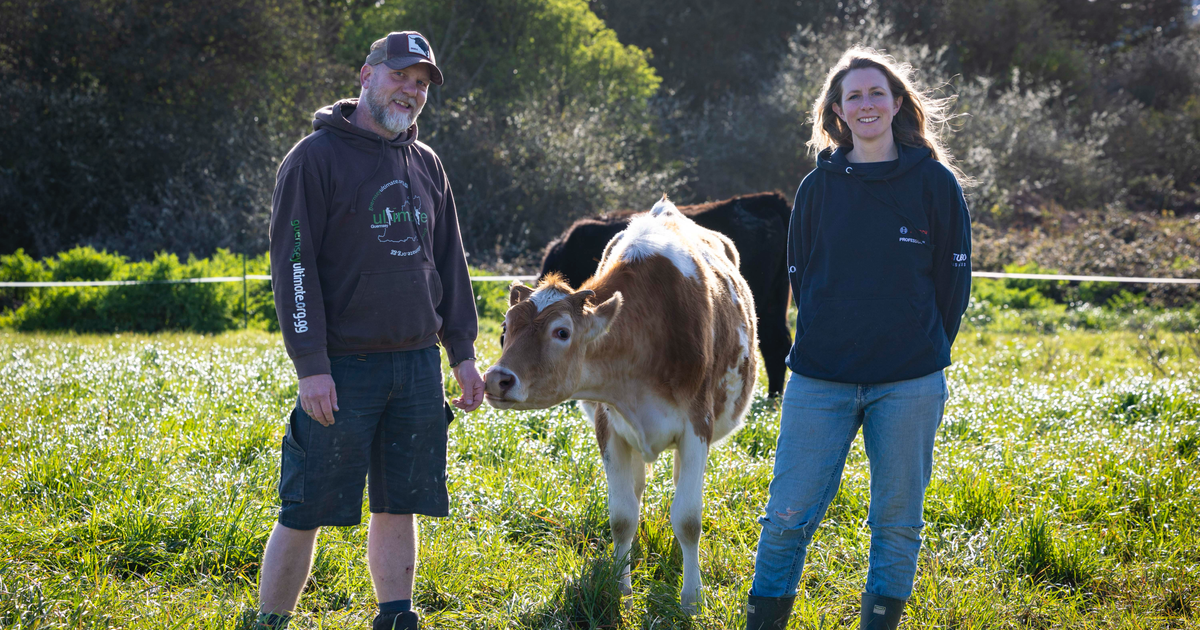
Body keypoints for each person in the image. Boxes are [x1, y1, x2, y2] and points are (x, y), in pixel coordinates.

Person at [256, 31, 484, 630]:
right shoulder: (314, 159)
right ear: (366, 74)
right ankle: (270, 622)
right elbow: (294, 267)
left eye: (421, 83)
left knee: (399, 501)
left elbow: (450, 262)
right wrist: (312, 366)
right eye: (400, 76)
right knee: (304, 506)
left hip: (415, 366)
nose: (410, 91)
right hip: (343, 369)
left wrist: (462, 353)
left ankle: (395, 616)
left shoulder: (427, 163)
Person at [745, 47, 972, 630]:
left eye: (877, 93)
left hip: (910, 382)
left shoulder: (935, 183)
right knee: (787, 515)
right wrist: (834, 334)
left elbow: (953, 282)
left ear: (897, 103)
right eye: (854, 96)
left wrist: (916, 346)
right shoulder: (819, 187)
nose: (866, 104)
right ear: (838, 112)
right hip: (821, 378)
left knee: (897, 520)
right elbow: (800, 274)